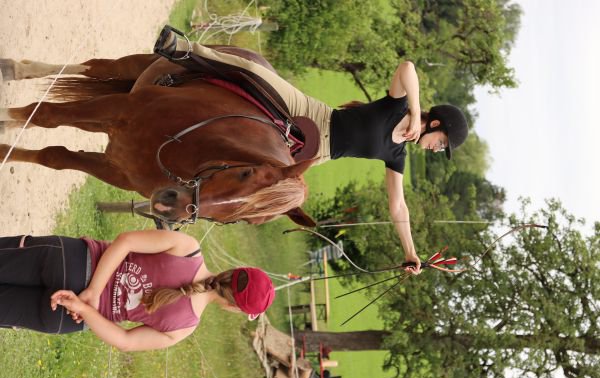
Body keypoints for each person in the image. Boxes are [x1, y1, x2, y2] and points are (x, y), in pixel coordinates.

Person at [153, 26, 470, 274]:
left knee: (262, 204)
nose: (434, 149)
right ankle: (182, 49)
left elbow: (399, 207)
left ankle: (185, 206)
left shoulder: (397, 156)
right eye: (440, 143)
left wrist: (410, 252)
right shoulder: (396, 106)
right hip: (312, 114)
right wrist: (414, 112)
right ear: (434, 123)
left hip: (309, 156)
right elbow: (408, 68)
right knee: (253, 71)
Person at [0, 230, 275, 351]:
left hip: (71, 261)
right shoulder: (184, 328)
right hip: (69, 316)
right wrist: (86, 306)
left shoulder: (187, 248)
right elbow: (125, 341)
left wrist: (94, 288)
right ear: (233, 307)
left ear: (237, 270)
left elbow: (126, 241)